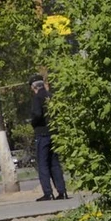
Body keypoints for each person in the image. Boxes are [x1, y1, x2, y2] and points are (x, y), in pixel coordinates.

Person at [29, 74, 68, 202]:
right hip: (53, 133)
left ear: (33, 87)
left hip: (42, 133)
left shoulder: (37, 98)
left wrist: (33, 123)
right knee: (55, 163)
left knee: (43, 164)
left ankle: (48, 193)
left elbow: (37, 114)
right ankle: (62, 191)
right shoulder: (50, 96)